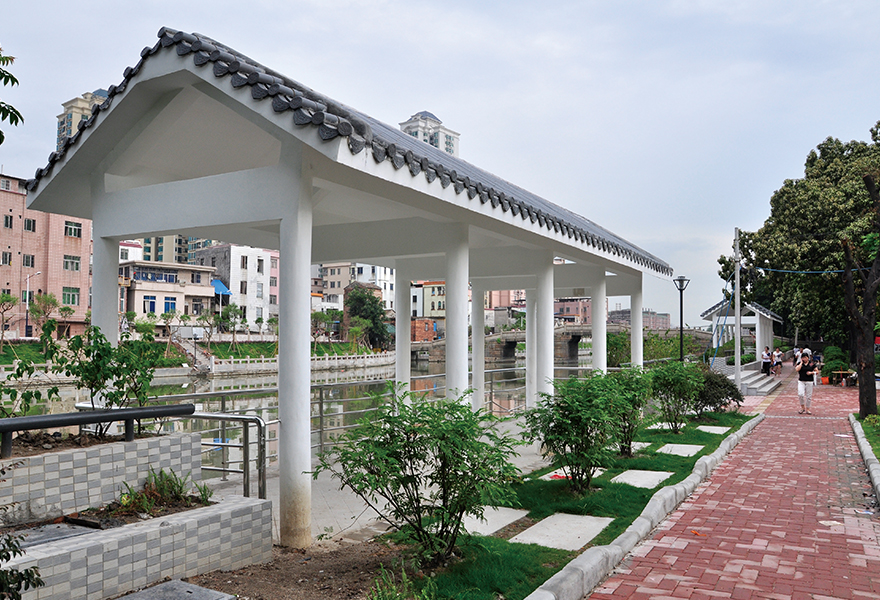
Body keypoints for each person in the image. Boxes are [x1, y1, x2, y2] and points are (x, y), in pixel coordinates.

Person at [796, 348, 819, 414]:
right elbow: (797, 369)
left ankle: (808, 408)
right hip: (801, 381)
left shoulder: (811, 364)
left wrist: (811, 373)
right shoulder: (800, 363)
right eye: (803, 357)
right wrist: (801, 363)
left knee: (808, 396)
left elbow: (817, 371)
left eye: (805, 357)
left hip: (809, 381)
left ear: (808, 358)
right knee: (800, 394)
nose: (804, 359)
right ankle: (802, 407)